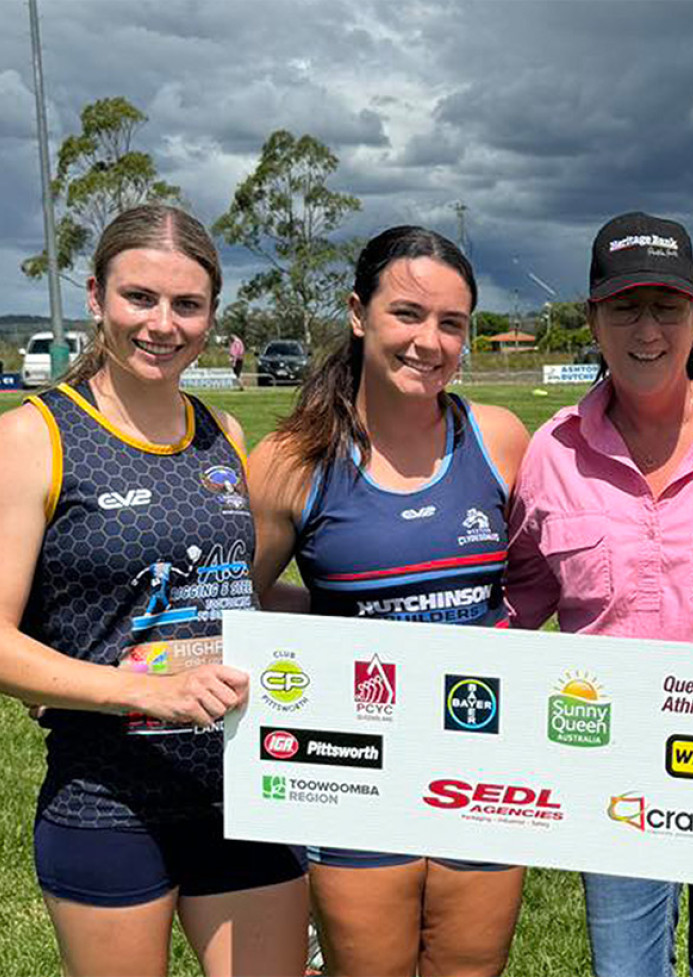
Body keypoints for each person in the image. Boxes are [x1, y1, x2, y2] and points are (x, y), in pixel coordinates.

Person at [0, 204, 308, 976]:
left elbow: (231, 591)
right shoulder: (34, 436)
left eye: (187, 304)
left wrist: (356, 614)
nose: (162, 324)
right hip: (107, 797)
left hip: (241, 782)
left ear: (212, 314)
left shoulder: (222, 430)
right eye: (140, 298)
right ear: (96, 297)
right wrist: (143, 692)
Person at [506, 211, 693, 977]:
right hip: (609, 757)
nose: (647, 329)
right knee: (624, 969)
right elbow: (516, 604)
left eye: (667, 306)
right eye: (625, 306)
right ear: (594, 319)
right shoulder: (552, 454)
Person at [247, 225, 530, 977]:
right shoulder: (291, 461)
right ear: (357, 312)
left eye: (452, 323)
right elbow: (233, 598)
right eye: (407, 314)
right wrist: (343, 626)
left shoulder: (498, 439)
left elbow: (532, 588)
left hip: (485, 760)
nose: (429, 341)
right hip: (356, 769)